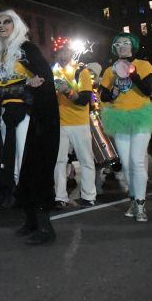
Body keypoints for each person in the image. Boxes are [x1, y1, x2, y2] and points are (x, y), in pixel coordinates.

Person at [0, 10, 60, 245]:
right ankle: (30, 220)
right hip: (5, 117)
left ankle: (44, 226)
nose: (2, 26)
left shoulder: (27, 49)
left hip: (27, 117)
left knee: (30, 164)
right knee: (15, 166)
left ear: (17, 25)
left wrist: (32, 84)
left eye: (7, 22)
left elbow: (44, 77)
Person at [99, 33, 152, 222]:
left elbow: (146, 90)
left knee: (137, 161)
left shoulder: (144, 64)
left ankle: (141, 205)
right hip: (119, 117)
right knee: (126, 164)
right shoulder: (110, 70)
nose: (121, 46)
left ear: (132, 46)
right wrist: (113, 93)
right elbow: (104, 97)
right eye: (117, 44)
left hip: (141, 116)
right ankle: (133, 200)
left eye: (126, 43)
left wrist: (131, 72)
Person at [51, 40, 96, 208]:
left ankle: (89, 195)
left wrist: (68, 91)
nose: (62, 56)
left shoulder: (81, 71)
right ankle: (60, 197)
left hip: (79, 122)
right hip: (60, 124)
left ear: (71, 53)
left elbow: (84, 100)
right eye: (58, 53)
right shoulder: (52, 72)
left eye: (65, 52)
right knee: (59, 161)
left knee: (86, 160)